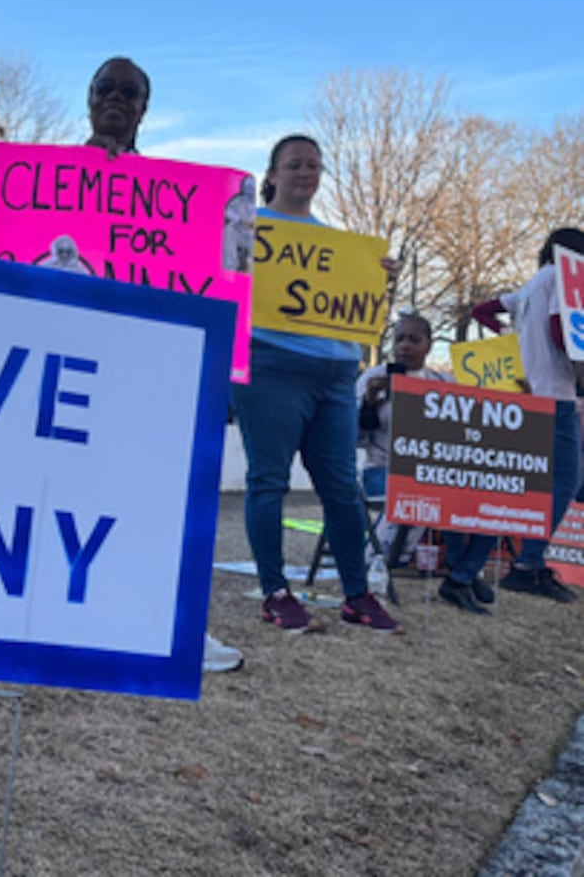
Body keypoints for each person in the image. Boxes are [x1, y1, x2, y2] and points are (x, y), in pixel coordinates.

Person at [86, 57, 243, 671]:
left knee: (152, 499)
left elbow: (216, 275)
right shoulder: (43, 182)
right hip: (67, 365)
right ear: (89, 98)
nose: (116, 98)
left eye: (129, 92)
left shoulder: (172, 199)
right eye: (105, 88)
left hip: (139, 370)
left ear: (144, 108)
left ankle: (171, 624)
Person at [231, 134, 403, 634]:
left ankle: (356, 595)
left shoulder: (339, 245)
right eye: (294, 165)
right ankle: (276, 593)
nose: (305, 173)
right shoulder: (250, 230)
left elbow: (360, 310)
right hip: (271, 365)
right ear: (271, 175)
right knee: (269, 480)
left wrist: (378, 282)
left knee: (343, 488)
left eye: (313, 165)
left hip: (336, 372)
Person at [357, 310, 497, 614]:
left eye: (413, 339)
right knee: (432, 492)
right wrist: (368, 403)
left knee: (492, 503)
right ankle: (461, 574)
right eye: (399, 339)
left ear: (429, 345)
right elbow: (353, 436)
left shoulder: (445, 383)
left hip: (435, 473)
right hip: (382, 470)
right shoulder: (373, 378)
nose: (404, 346)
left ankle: (462, 575)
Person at [471, 227, 584, 602]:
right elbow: (559, 329)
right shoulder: (563, 280)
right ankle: (528, 564)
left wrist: (511, 340)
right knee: (566, 481)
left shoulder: (528, 288)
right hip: (557, 393)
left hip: (529, 394)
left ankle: (522, 561)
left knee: (531, 482)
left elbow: (481, 311)